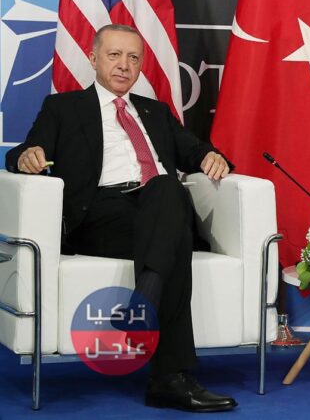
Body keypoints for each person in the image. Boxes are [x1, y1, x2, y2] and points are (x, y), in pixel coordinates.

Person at [6, 24, 237, 413]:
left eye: (133, 58)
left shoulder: (155, 111)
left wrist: (212, 157)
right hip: (99, 214)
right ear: (93, 58)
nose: (124, 65)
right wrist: (26, 157)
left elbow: (195, 151)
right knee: (175, 234)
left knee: (165, 189)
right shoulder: (63, 108)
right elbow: (24, 151)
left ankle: (143, 305)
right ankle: (169, 378)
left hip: (157, 207)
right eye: (114, 55)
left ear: (141, 65)